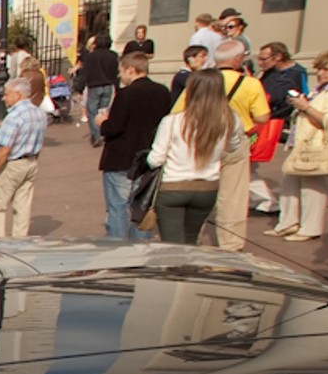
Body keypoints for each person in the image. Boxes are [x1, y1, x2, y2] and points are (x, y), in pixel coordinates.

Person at [173, 38, 270, 251]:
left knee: (197, 190)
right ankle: (231, 243)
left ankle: (190, 239)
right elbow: (262, 117)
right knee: (232, 195)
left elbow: (177, 112)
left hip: (202, 137)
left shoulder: (200, 81)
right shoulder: (250, 83)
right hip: (234, 140)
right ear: (237, 59)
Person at [147, 70, 243, 246]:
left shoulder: (173, 121)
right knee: (191, 240)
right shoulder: (231, 120)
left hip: (173, 186)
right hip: (207, 187)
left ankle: (178, 264)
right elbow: (233, 147)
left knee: (172, 244)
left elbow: (155, 159)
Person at [273, 49, 328, 242]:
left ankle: (310, 228)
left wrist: (305, 106)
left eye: (326, 69)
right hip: (304, 143)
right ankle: (287, 223)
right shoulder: (323, 88)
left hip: (319, 144)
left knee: (312, 188)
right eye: (319, 68)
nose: (320, 73)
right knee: (289, 183)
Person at [97, 53, 171, 240]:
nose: (119, 75)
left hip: (121, 157)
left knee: (118, 206)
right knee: (142, 205)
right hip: (148, 156)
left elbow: (114, 127)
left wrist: (102, 122)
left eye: (121, 71)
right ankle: (140, 245)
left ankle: (117, 246)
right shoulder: (162, 92)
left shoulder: (126, 94)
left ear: (131, 70)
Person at [0, 77, 46, 239]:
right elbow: (39, 140)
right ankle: (20, 241)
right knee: (22, 206)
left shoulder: (15, 117)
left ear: (18, 95)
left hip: (12, 164)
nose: (4, 98)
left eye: (7, 94)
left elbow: (5, 149)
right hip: (30, 161)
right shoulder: (39, 113)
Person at [79, 35, 119, 146]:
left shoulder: (91, 57)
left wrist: (80, 87)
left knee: (92, 111)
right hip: (108, 85)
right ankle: (103, 131)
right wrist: (117, 87)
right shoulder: (113, 56)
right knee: (103, 111)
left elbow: (85, 73)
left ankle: (97, 134)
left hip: (94, 86)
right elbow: (116, 72)